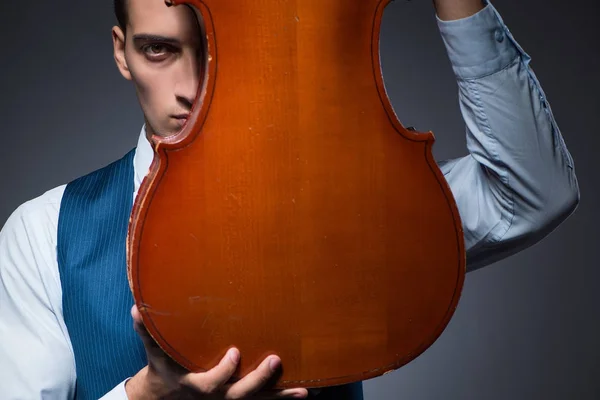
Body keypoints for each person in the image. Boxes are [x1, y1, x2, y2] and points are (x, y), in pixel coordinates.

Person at [0, 0, 580, 399]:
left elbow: (531, 192)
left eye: (224, 47)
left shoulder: (353, 206)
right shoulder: (41, 234)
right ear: (122, 53)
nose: (194, 86)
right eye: (160, 50)